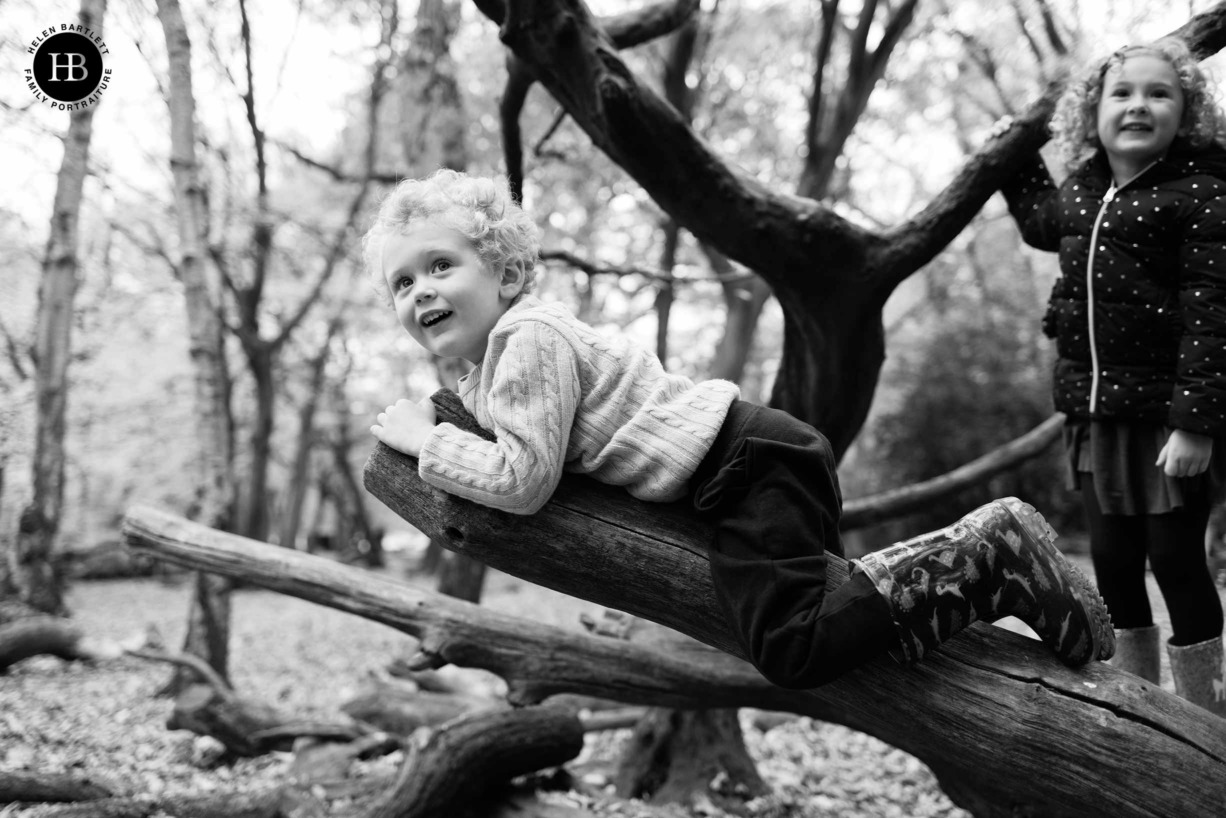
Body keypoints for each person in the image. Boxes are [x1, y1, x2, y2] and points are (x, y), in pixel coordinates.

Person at [366, 168, 1113, 689]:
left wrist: (421, 441)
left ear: (502, 274)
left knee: (794, 647)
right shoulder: (489, 370)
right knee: (852, 621)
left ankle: (989, 554)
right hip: (748, 462)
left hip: (748, 465)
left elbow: (525, 482)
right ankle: (1012, 594)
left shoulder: (527, 338)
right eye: (403, 282)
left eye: (440, 265)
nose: (421, 290)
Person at [1000, 37, 1226, 715]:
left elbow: (1213, 316)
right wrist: (1011, 157)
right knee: (1113, 563)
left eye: (1160, 94)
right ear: (1092, 112)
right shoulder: (1085, 188)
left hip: (1166, 417)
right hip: (1095, 414)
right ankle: (1142, 708)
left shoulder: (1201, 195)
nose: (1138, 105)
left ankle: (1207, 721)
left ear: (1185, 114)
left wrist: (1195, 424)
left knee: (1176, 562)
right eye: (1121, 93)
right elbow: (1043, 225)